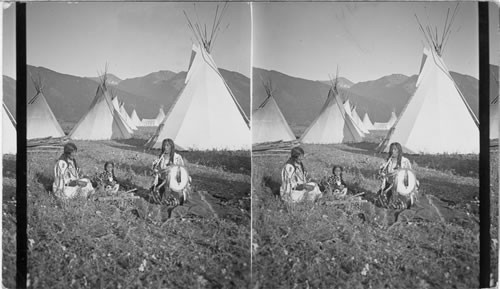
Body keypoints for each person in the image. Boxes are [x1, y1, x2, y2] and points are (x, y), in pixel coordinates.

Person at [377, 142, 417, 210]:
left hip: (402, 187)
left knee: (403, 204)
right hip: (389, 186)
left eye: (395, 149)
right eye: (392, 149)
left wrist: (399, 172)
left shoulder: (405, 161)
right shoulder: (387, 162)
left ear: (399, 150)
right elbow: (382, 175)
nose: (393, 151)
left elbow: (409, 175)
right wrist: (382, 175)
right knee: (383, 202)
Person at [151, 138, 191, 206]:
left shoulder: (177, 157)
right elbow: (155, 171)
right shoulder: (160, 158)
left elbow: (182, 171)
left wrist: (173, 168)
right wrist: (155, 170)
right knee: (158, 197)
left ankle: (175, 197)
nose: (165, 147)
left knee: (176, 199)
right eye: (164, 145)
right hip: (163, 182)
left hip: (175, 182)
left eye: (167, 145)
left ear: (171, 147)